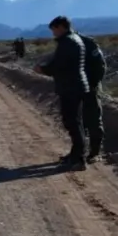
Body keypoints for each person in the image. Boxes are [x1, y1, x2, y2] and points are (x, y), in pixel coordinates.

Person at [34, 16, 90, 170]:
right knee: (73, 121)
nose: (53, 34)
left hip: (71, 86)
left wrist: (42, 69)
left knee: (73, 122)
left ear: (61, 27)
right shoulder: (74, 39)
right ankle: (75, 155)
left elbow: (59, 65)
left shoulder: (68, 42)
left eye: (54, 30)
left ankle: (79, 158)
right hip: (73, 85)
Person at [77, 32, 107, 163]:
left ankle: (95, 152)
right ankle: (78, 153)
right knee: (77, 122)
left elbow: (100, 66)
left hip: (90, 88)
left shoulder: (88, 44)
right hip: (74, 90)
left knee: (93, 119)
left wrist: (93, 84)